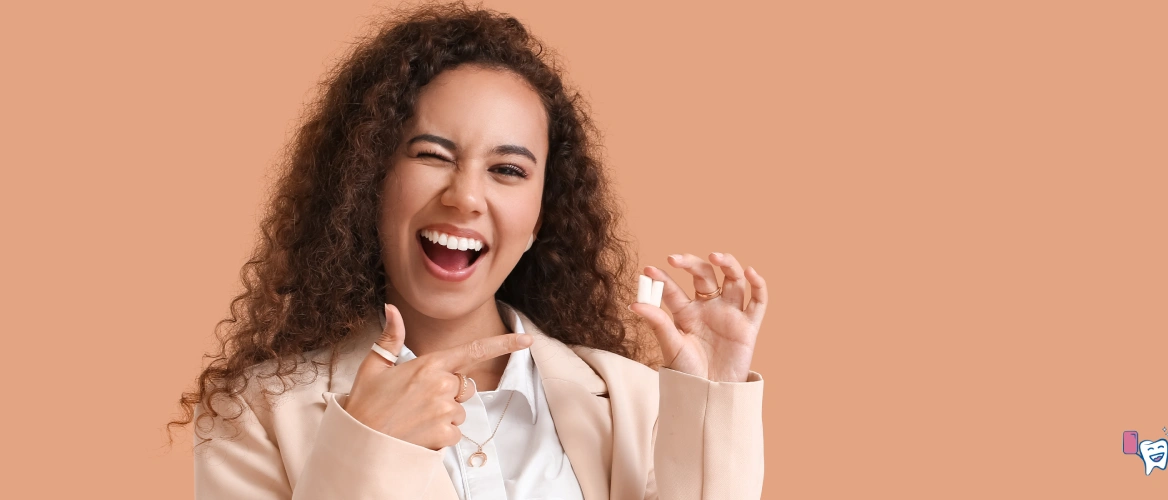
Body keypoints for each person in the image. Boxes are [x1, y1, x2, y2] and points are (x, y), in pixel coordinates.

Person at [171, 3, 768, 499]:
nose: (466, 197)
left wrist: (712, 404)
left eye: (507, 169)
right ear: (369, 181)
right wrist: (368, 449)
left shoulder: (636, 400)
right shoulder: (252, 415)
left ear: (540, 216)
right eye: (431, 155)